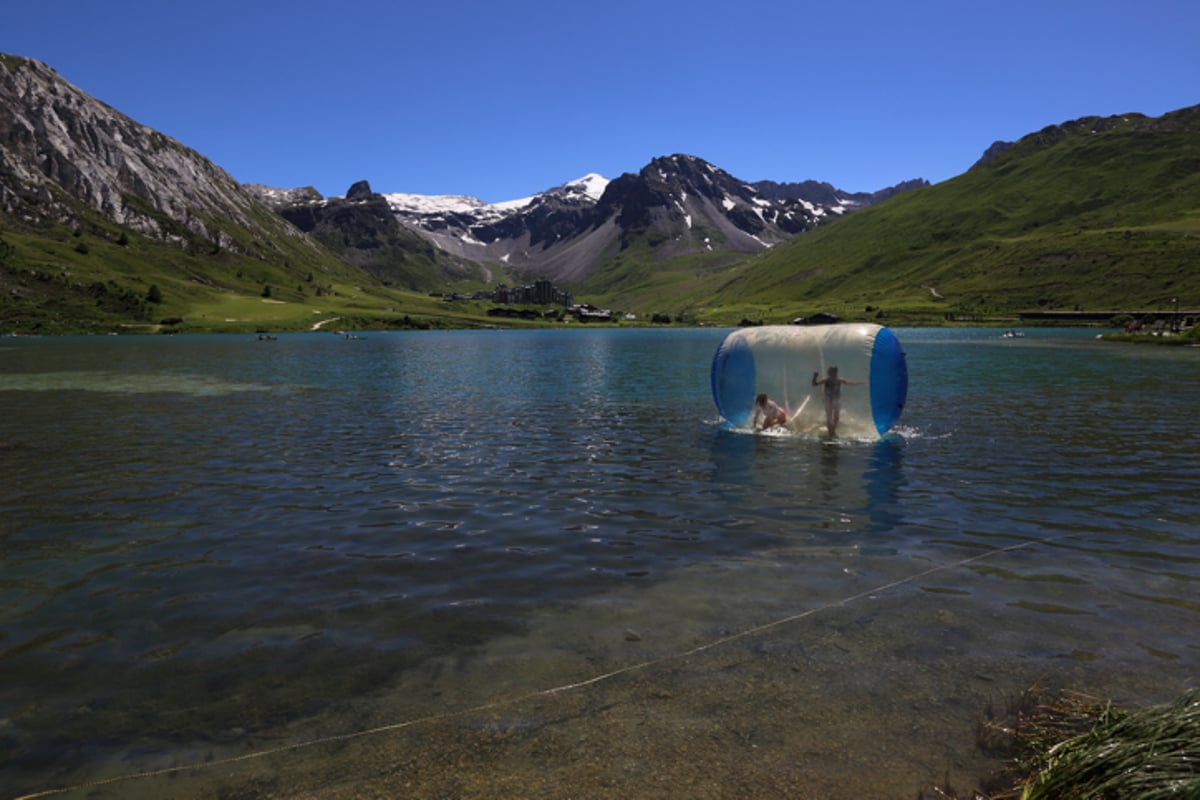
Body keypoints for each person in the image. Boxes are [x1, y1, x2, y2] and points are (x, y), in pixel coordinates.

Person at [812, 365, 858, 436]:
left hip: (835, 399)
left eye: (834, 372)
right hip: (827, 399)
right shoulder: (827, 380)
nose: (832, 373)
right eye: (831, 372)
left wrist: (859, 383)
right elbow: (814, 384)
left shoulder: (838, 380)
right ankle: (831, 432)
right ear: (829, 373)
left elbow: (849, 383)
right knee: (829, 417)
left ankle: (832, 430)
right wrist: (815, 377)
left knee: (836, 417)